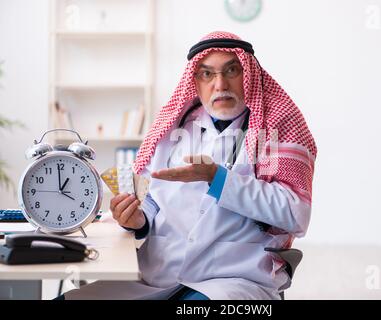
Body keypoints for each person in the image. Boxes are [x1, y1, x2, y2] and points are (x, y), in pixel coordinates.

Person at [64, 31, 317, 300]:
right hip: (158, 275)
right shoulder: (175, 126)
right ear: (194, 81)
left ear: (249, 75)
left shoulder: (276, 127)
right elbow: (152, 199)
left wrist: (216, 178)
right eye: (207, 74)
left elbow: (295, 214)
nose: (220, 84)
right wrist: (138, 220)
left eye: (231, 70)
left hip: (234, 281)